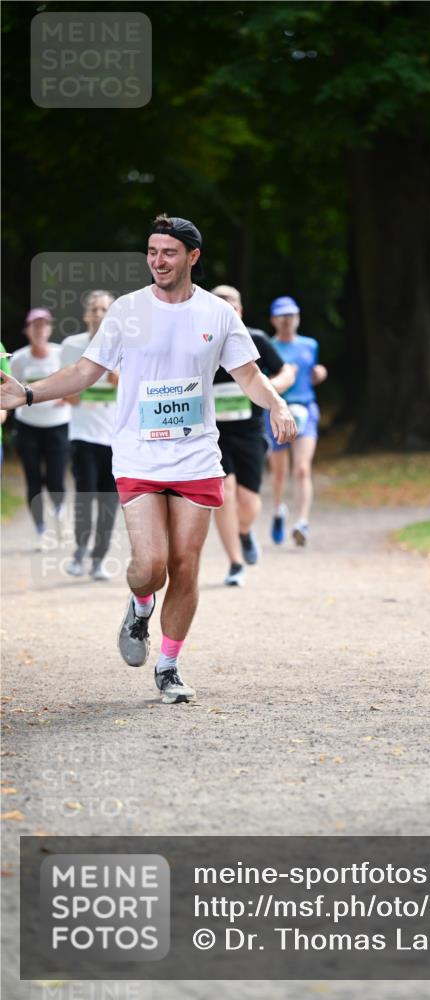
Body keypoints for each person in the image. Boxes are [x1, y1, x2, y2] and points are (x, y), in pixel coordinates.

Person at [0, 215, 296, 704]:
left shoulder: (218, 314)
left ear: (192, 258)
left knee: (186, 565)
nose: (159, 260)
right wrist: (28, 394)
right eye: (153, 251)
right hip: (139, 454)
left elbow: (249, 376)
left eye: (170, 253)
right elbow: (85, 370)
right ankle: (139, 607)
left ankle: (169, 666)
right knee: (151, 565)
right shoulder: (127, 310)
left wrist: (278, 404)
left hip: (197, 455)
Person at [210, 284, 295, 586]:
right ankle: (234, 563)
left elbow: (287, 372)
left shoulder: (255, 339)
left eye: (230, 302)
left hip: (250, 433)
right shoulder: (201, 344)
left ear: (240, 310)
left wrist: (270, 392)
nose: (225, 306)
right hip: (214, 435)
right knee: (223, 493)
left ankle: (244, 533)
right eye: (218, 302)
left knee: (249, 504)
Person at [60, 290, 120, 580]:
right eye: (95, 309)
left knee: (109, 501)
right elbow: (66, 396)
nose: (99, 314)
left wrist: (118, 380)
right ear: (86, 314)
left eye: (105, 309)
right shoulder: (72, 347)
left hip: (115, 437)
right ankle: (79, 553)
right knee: (85, 496)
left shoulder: (124, 345)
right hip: (82, 433)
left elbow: (133, 392)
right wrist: (81, 384)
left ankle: (99, 559)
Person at [266, 296, 327, 547]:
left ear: (298, 317)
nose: (288, 320)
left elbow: (311, 374)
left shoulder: (310, 345)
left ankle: (302, 522)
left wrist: (319, 374)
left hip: (306, 409)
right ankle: (280, 510)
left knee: (302, 469)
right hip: (278, 410)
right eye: (282, 315)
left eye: (292, 315)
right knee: (280, 471)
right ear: (273, 319)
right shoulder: (266, 346)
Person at [9, 309, 71, 547]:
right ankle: (41, 531)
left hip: (58, 426)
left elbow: (76, 384)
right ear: (27, 331)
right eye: (35, 326)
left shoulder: (61, 354)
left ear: (50, 329)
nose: (39, 330)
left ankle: (59, 518)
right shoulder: (20, 359)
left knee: (56, 480)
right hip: (28, 428)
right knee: (34, 481)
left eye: (44, 325)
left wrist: (67, 395)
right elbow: (10, 393)